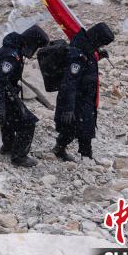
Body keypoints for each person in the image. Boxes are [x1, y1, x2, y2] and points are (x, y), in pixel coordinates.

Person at [0, 25, 49, 167]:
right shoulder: (12, 55)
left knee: (10, 120)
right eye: (36, 46)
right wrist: (0, 106)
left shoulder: (14, 49)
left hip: (4, 93)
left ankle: (8, 146)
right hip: (1, 94)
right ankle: (19, 156)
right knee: (28, 123)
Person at [53, 22, 114, 161]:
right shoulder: (78, 55)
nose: (101, 46)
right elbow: (69, 82)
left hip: (85, 98)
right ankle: (60, 149)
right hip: (75, 98)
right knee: (71, 126)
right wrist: (69, 108)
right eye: (101, 43)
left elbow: (88, 65)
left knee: (86, 126)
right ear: (97, 38)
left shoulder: (88, 48)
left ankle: (85, 155)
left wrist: (99, 55)